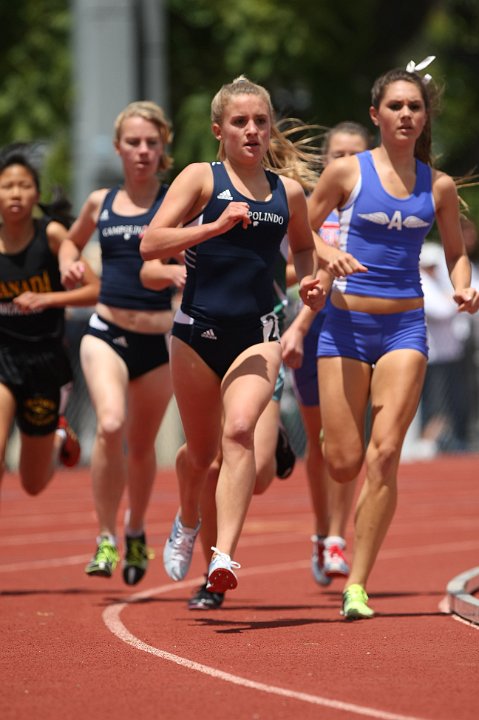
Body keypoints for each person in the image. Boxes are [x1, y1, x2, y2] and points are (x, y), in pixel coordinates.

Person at [140, 76, 347, 595]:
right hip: (195, 335)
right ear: (219, 130)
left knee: (238, 434)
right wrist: (212, 227)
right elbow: (151, 242)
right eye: (240, 122)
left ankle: (224, 557)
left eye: (260, 121)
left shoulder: (287, 191)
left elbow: (303, 249)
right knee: (200, 455)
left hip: (258, 335)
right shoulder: (201, 179)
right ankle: (188, 518)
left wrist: (312, 284)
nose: (252, 130)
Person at [307, 63, 479, 619]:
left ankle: (357, 583)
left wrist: (461, 286)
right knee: (342, 461)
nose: (406, 115)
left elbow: (455, 251)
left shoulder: (439, 186)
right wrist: (324, 251)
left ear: (424, 118)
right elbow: (297, 230)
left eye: (415, 107)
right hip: (344, 325)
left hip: (405, 327)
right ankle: (333, 533)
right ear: (375, 114)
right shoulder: (346, 174)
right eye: (397, 106)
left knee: (383, 457)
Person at [60, 101, 185, 586]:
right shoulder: (100, 203)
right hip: (107, 332)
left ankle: (136, 529)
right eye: (133, 142)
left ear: (163, 149)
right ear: (118, 148)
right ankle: (106, 536)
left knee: (142, 445)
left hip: (159, 341)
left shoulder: (175, 202)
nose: (142, 151)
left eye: (152, 143)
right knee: (110, 424)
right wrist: (73, 263)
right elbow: (70, 243)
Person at [281, 122, 371, 587]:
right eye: (338, 153)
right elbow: (291, 265)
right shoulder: (310, 208)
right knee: (318, 444)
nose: (345, 161)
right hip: (312, 328)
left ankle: (338, 537)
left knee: (347, 440)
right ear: (326, 158)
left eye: (355, 153)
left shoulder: (375, 206)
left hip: (358, 327)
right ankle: (322, 532)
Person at [0, 144, 96, 497]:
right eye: (7, 185)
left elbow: (96, 290)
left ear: (36, 194)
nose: (15, 193)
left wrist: (48, 298)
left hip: (45, 361)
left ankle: (58, 434)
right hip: (3, 356)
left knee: (33, 483)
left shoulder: (52, 236)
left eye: (24, 185)